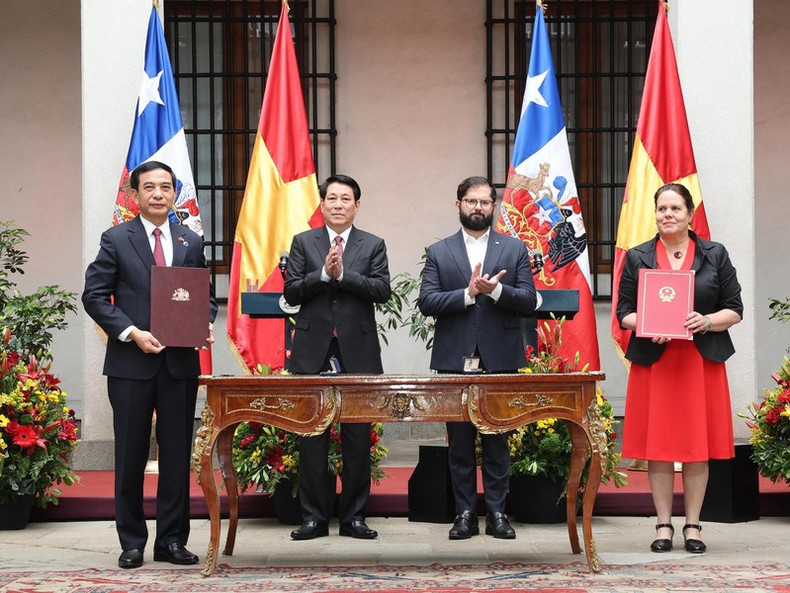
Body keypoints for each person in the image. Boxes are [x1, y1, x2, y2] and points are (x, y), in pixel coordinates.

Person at [82, 161, 217, 569]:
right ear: (135, 194)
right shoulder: (116, 239)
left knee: (176, 457)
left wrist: (204, 323)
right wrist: (131, 333)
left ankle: (172, 540)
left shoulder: (190, 240)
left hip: (179, 365)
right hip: (131, 364)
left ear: (175, 193)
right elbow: (94, 296)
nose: (158, 194)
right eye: (149, 187)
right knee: (130, 455)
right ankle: (132, 542)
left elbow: (204, 296)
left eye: (165, 187)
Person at [616, 182, 743, 554]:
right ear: (654, 214)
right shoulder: (637, 256)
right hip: (656, 363)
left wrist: (707, 321)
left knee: (696, 447)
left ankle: (692, 525)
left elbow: (734, 309)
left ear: (690, 214)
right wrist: (646, 324)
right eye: (662, 209)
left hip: (699, 363)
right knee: (658, 447)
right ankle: (663, 524)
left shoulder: (714, 254)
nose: (667, 215)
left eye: (675, 208)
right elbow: (624, 312)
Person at [417, 176, 537, 540]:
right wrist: (468, 294)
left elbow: (528, 300)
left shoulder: (514, 249)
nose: (478, 207)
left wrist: (496, 291)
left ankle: (498, 513)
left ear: (493, 207)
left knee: (497, 440)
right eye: (471, 201)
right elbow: (426, 302)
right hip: (455, 359)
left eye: (485, 202)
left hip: (500, 358)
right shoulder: (439, 251)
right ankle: (465, 513)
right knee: (460, 444)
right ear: (458, 205)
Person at [283, 174, 391, 540]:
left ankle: (354, 518)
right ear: (323, 204)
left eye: (346, 199)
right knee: (312, 437)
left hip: (357, 351)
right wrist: (322, 275)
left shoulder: (373, 244)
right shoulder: (304, 242)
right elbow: (292, 292)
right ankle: (314, 518)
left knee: (357, 439)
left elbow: (382, 291)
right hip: (312, 350)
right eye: (332, 198)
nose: (339, 204)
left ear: (357, 206)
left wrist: (343, 275)